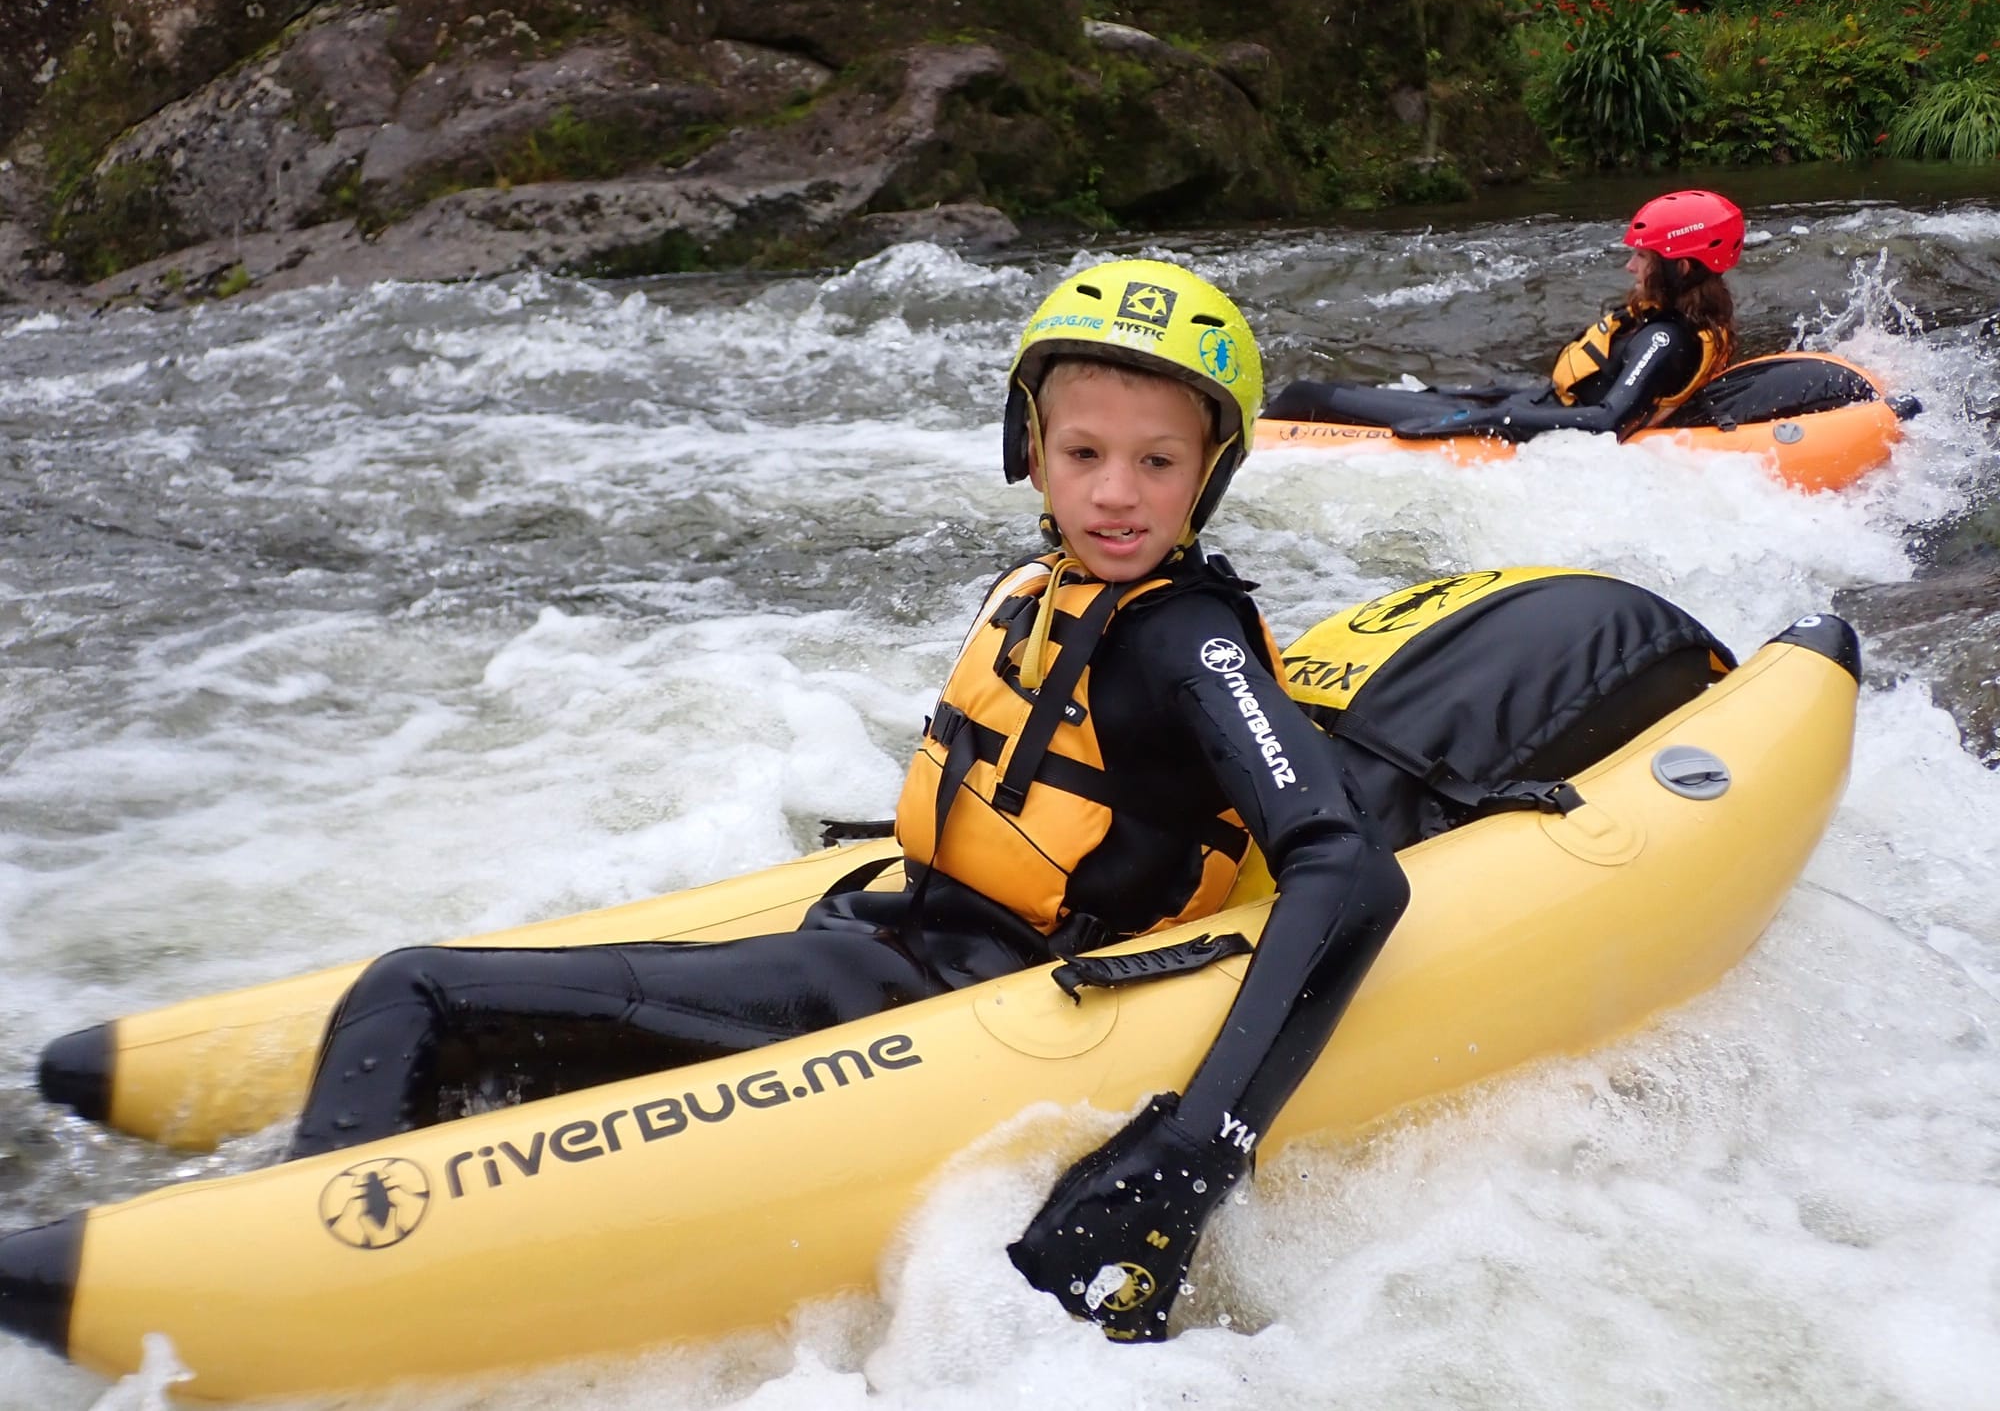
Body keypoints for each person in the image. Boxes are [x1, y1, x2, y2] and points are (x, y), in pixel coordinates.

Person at [284, 259, 1410, 1342]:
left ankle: (299, 1279)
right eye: (1084, 452)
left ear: (1210, 470)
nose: (1116, 493)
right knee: (466, 1034)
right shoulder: (1048, 587)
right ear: (1031, 449)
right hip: (903, 941)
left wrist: (1193, 1154)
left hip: (959, 1005)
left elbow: (1347, 870)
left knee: (410, 991)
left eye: (1157, 462)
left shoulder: (1186, 640)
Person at [1269, 190, 1744, 441]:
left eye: (1643, 257)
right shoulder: (1673, 317)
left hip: (1527, 422)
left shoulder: (1667, 339)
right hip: (1531, 403)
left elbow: (1606, 421)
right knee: (1314, 393)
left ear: (1681, 267)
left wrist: (1494, 419)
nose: (1630, 266)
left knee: (1304, 395)